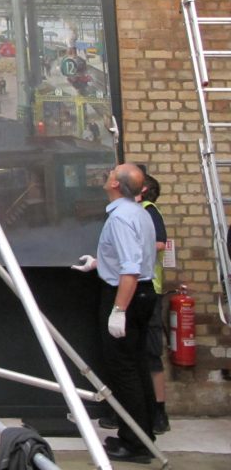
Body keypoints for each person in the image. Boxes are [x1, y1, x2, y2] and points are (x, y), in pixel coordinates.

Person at [71, 163, 157, 462]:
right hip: (142, 293)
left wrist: (118, 310)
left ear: (117, 186)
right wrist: (99, 263)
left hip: (126, 295)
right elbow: (131, 258)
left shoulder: (120, 218)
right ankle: (143, 436)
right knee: (136, 365)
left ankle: (134, 444)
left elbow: (131, 269)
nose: (106, 177)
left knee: (124, 370)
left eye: (110, 175)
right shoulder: (138, 213)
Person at [140, 173, 170, 434]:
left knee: (151, 354)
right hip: (136, 289)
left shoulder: (149, 211)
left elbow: (160, 243)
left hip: (150, 289)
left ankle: (159, 412)